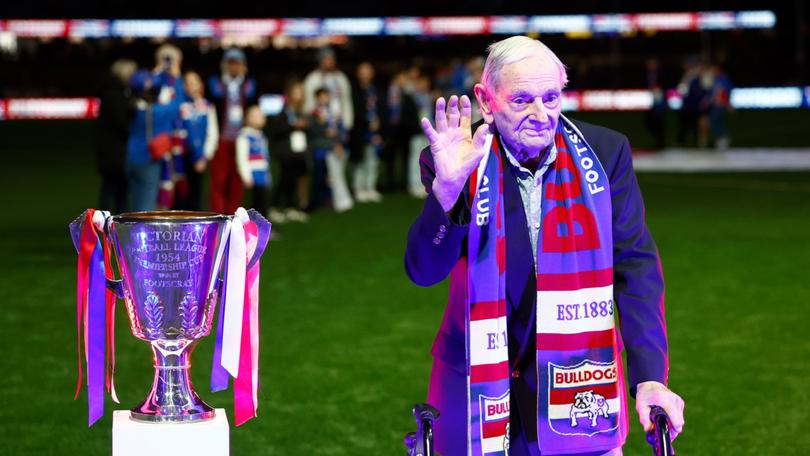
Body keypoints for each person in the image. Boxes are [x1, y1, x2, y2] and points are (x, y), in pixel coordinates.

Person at [404, 36, 685, 455]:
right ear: (486, 100)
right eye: (522, 101)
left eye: (551, 98)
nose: (541, 115)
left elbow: (635, 267)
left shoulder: (607, 153)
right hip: (472, 381)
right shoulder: (455, 159)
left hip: (582, 381)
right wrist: (448, 191)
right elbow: (424, 271)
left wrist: (650, 376)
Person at [208, 47, 258, 214]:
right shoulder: (216, 83)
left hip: (241, 138)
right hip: (222, 138)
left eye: (237, 64)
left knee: (238, 179)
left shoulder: (249, 84)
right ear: (225, 65)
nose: (234, 67)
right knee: (219, 179)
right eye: (231, 64)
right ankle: (218, 214)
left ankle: (233, 214)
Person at [125, 69, 181, 212]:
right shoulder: (156, 112)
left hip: (129, 158)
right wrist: (176, 77)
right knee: (146, 206)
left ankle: (130, 233)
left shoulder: (129, 106)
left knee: (135, 204)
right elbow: (178, 103)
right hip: (148, 159)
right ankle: (139, 234)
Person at [96, 58, 136, 214]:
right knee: (115, 189)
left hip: (109, 151)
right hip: (115, 151)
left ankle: (108, 223)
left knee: (112, 188)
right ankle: (109, 223)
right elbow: (122, 123)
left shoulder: (111, 92)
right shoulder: (115, 95)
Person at [175, 70, 219, 211]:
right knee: (179, 193)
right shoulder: (179, 106)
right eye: (188, 83)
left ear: (201, 85)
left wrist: (204, 156)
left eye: (195, 82)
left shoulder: (207, 107)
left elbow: (212, 133)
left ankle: (193, 228)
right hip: (180, 157)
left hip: (198, 157)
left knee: (195, 193)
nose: (191, 86)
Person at [268, 80, 310, 223]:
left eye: (300, 92)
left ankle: (290, 206)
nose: (299, 96)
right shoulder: (284, 112)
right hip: (285, 152)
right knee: (283, 179)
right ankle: (274, 207)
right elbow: (276, 131)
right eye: (296, 92)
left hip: (298, 151)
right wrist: (292, 126)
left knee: (294, 178)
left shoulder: (301, 112)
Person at [308, 87, 353, 212]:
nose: (324, 99)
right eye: (321, 96)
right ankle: (317, 200)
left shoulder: (333, 112)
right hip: (320, 149)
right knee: (319, 176)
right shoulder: (314, 113)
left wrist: (339, 142)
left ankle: (330, 199)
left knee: (331, 177)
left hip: (331, 148)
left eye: (326, 96)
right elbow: (312, 130)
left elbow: (340, 129)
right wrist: (323, 128)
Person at [349, 61, 384, 203]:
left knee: (373, 160)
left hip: (375, 132)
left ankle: (370, 187)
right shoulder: (354, 90)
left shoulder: (374, 90)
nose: (365, 74)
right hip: (360, 131)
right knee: (360, 161)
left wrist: (378, 124)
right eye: (362, 71)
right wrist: (367, 123)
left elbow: (380, 109)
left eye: (368, 71)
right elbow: (355, 111)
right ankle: (359, 188)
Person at [235, 105, 271, 217]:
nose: (257, 119)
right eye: (254, 116)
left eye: (260, 116)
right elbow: (242, 157)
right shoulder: (245, 136)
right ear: (247, 118)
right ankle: (251, 227)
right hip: (252, 175)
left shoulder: (261, 136)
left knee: (263, 202)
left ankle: (264, 226)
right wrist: (246, 176)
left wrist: (267, 174)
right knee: (253, 203)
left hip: (262, 175)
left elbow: (265, 156)